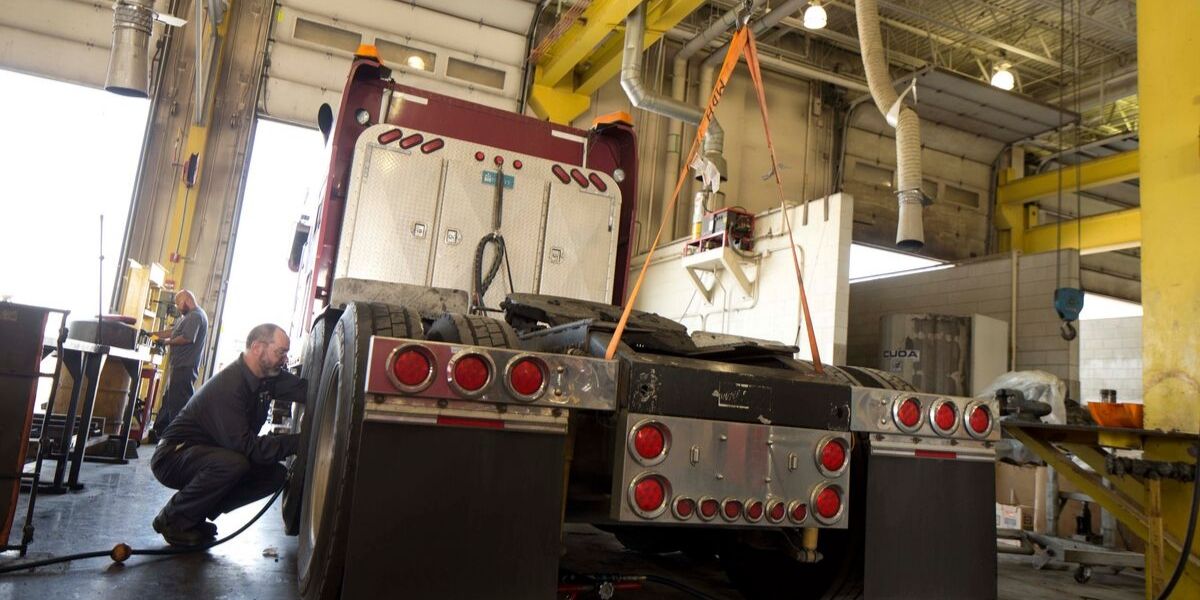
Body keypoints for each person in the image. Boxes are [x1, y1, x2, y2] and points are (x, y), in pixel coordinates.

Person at [150, 323, 304, 546]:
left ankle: (194, 514)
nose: (284, 359)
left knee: (275, 476)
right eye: (280, 352)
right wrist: (298, 442)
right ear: (258, 347)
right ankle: (173, 518)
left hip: (209, 454)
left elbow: (307, 389)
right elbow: (247, 447)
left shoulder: (267, 378)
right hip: (173, 456)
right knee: (234, 463)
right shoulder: (230, 386)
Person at [149, 289, 209, 441]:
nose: (177, 307)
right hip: (178, 366)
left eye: (178, 304)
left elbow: (187, 338)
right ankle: (159, 433)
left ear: (187, 300)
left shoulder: (196, 316)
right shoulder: (188, 317)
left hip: (185, 367)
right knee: (168, 401)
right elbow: (174, 331)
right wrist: (153, 334)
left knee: (179, 405)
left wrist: (166, 342)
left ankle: (179, 438)